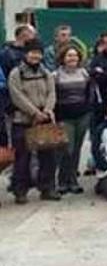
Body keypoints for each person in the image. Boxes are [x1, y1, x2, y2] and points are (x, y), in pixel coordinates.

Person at [8, 39, 60, 204]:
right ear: (26, 53)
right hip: (23, 121)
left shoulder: (46, 72)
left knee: (48, 156)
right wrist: (34, 112)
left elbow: (52, 92)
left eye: (38, 52)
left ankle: (47, 188)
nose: (35, 56)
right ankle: (20, 190)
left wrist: (47, 110)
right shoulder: (16, 73)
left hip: (45, 119)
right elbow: (17, 96)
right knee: (23, 158)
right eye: (32, 52)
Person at [53, 45, 94, 195]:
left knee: (77, 149)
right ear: (63, 58)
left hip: (82, 116)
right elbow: (53, 96)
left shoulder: (84, 73)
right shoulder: (56, 75)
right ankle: (62, 181)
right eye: (69, 56)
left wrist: (88, 108)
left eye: (75, 56)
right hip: (65, 117)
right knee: (66, 149)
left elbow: (89, 92)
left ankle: (73, 180)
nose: (73, 58)